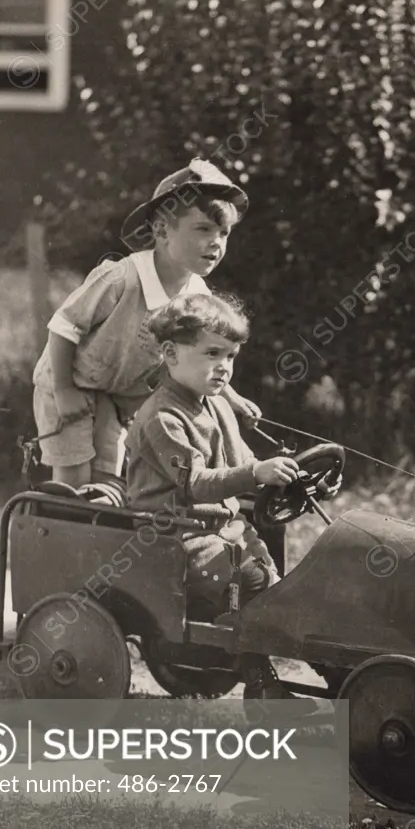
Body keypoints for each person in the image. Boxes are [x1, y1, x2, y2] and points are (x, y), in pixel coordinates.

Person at [125, 291, 320, 704]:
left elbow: (244, 464)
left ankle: (331, 671)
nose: (224, 368)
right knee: (254, 587)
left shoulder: (215, 406)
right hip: (171, 535)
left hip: (218, 528)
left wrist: (285, 477)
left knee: (278, 588)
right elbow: (195, 482)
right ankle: (262, 685)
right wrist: (255, 473)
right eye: (212, 353)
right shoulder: (162, 418)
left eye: (230, 356)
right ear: (170, 353)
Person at [31, 158, 261, 489]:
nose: (217, 243)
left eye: (224, 233)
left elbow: (203, 354)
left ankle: (99, 534)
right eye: (204, 229)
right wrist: (65, 390)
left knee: (107, 477)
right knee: (74, 476)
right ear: (162, 230)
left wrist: (233, 400)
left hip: (116, 395)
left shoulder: (196, 293)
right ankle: (60, 530)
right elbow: (64, 327)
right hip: (69, 383)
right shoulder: (122, 277)